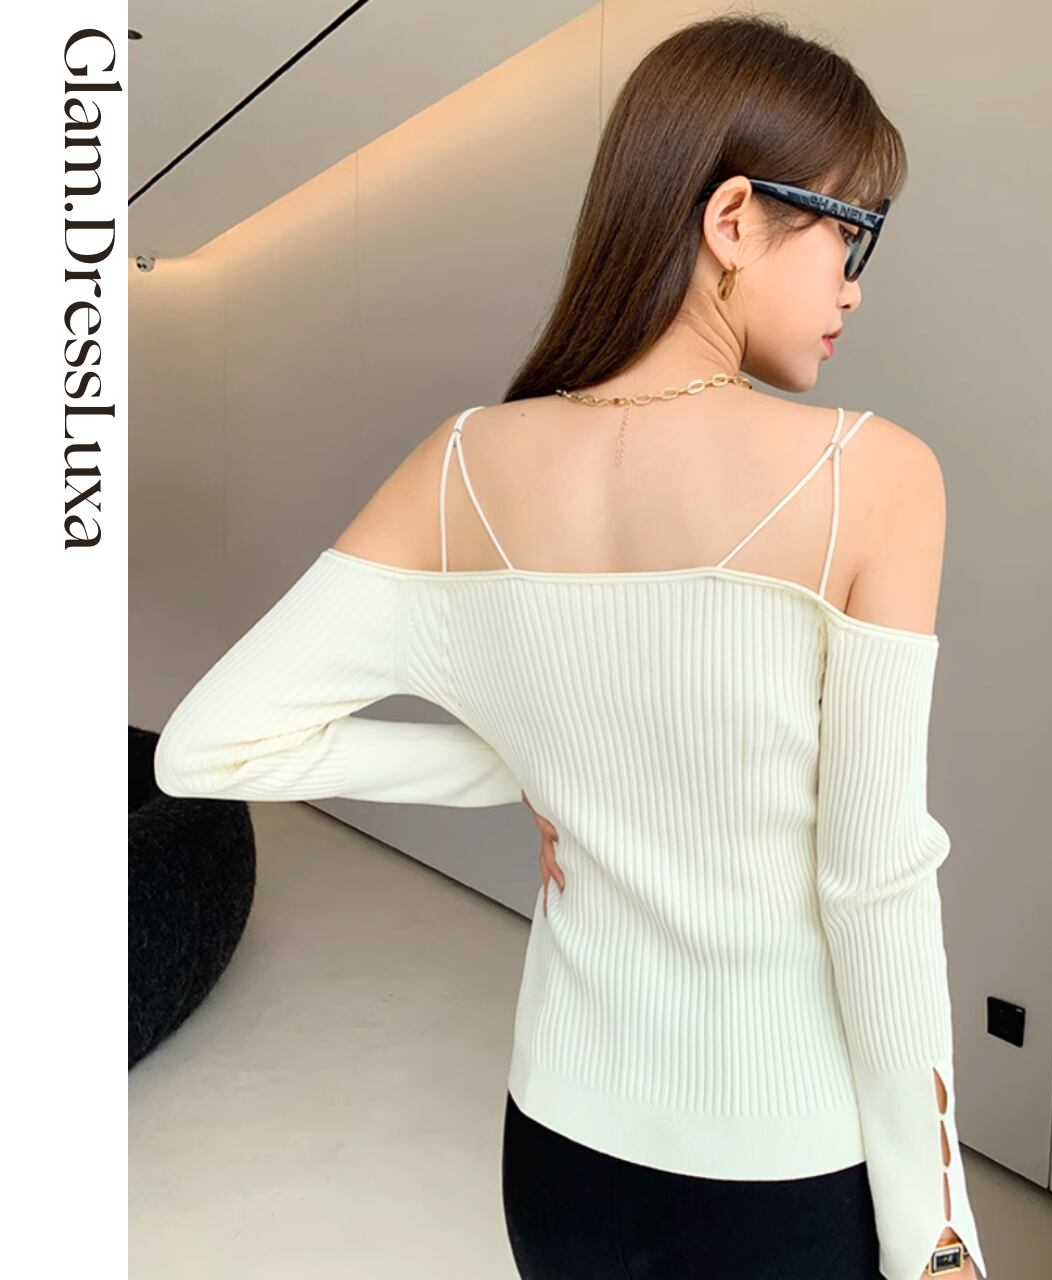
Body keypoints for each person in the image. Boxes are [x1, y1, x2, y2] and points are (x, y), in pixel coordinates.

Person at [154, 12, 987, 1280]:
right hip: (779, 1172)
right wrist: (937, 1231)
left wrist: (505, 767)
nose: (853, 285)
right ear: (731, 219)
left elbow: (207, 746)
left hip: (557, 1154)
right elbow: (873, 885)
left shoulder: (459, 463)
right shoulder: (870, 476)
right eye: (849, 231)